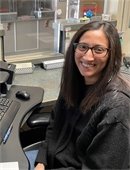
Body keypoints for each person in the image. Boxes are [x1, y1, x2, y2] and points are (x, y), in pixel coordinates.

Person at [26, 20, 130, 170]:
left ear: (111, 54)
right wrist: (42, 162)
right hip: (51, 162)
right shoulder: (74, 83)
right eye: (83, 47)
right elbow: (54, 126)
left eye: (98, 50)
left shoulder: (116, 109)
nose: (88, 57)